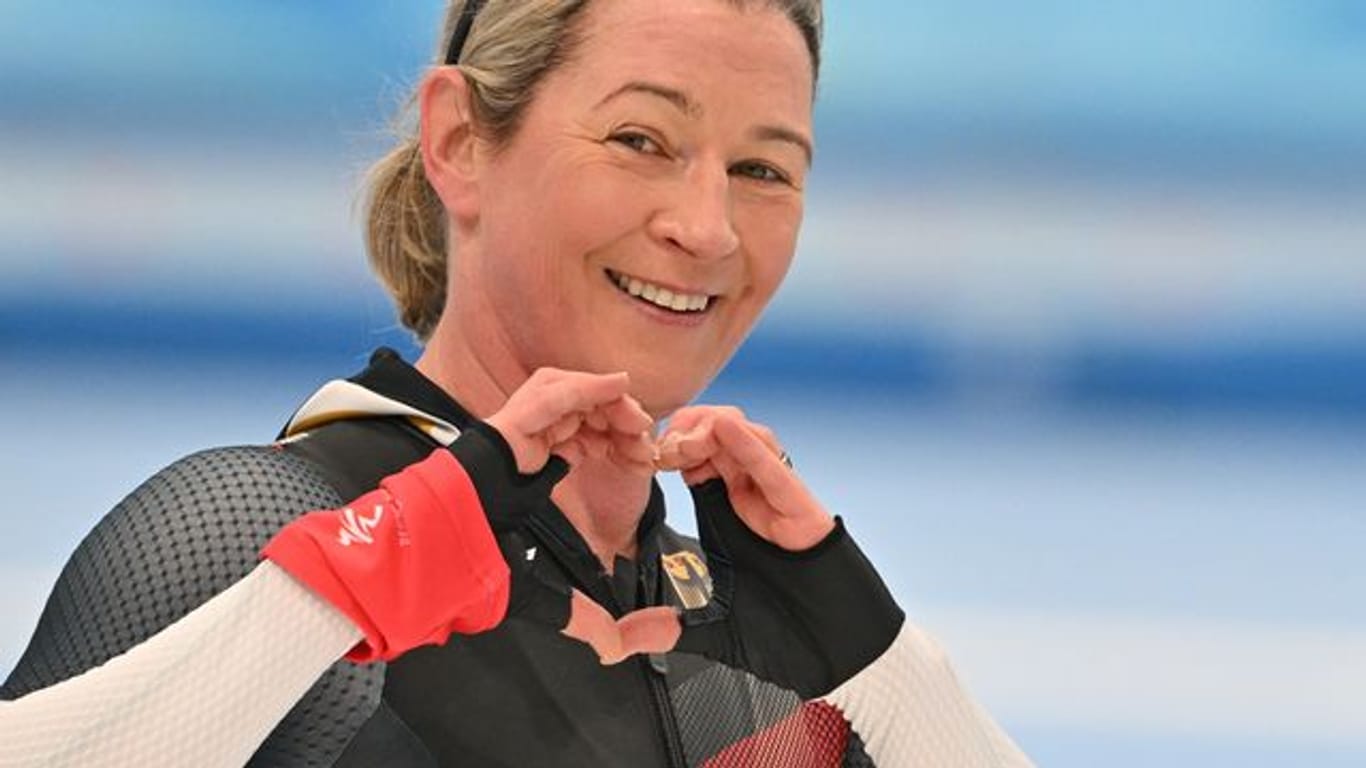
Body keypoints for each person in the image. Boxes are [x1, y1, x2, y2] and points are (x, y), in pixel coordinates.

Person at [0, 1, 1033, 766]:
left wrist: (883, 661)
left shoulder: (754, 639)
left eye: (764, 170)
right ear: (457, 139)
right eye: (641, 140)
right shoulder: (259, 524)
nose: (708, 228)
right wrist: (349, 586)